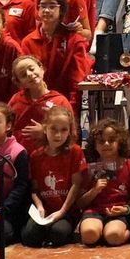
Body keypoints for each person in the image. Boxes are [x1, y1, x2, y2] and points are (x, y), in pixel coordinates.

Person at [24, 105, 85, 248]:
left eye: (63, 130)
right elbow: (34, 189)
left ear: (70, 131)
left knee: (58, 234)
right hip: (45, 211)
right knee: (29, 237)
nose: (58, 135)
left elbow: (76, 185)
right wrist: (39, 207)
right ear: (45, 129)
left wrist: (62, 212)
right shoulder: (36, 155)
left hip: (66, 210)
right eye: (53, 129)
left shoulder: (75, 152)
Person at [18, 0, 92, 103]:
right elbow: (24, 79)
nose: (46, 10)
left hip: (65, 103)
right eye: (43, 6)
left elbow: (77, 79)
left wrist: (71, 107)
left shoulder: (74, 40)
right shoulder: (28, 42)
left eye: (52, 6)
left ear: (61, 10)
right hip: (36, 101)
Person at [79, 117, 130, 247]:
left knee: (114, 237)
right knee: (89, 236)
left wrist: (125, 209)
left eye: (111, 140)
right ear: (94, 145)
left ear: (120, 142)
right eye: (101, 141)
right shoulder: (89, 168)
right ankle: (100, 232)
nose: (106, 144)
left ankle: (129, 231)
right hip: (93, 211)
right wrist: (94, 191)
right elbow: (80, 202)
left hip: (118, 213)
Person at [0, 103, 30, 245]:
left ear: (8, 126)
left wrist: (2, 212)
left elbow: (21, 187)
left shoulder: (19, 152)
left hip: (9, 211)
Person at [7, 55, 73, 151]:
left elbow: (71, 132)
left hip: (49, 157)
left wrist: (45, 131)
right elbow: (7, 128)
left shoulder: (59, 101)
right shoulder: (16, 100)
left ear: (41, 68)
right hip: (20, 157)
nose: (29, 74)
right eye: (23, 75)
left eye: (31, 69)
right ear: (19, 83)